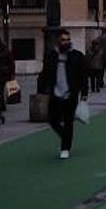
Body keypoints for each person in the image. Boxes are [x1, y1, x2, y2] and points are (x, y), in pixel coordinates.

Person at [42, 30, 88, 159]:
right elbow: (45, 73)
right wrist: (42, 89)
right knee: (52, 120)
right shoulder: (51, 56)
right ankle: (65, 137)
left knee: (68, 122)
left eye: (68, 39)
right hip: (55, 94)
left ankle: (65, 147)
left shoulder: (77, 56)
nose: (66, 42)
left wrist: (84, 94)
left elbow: (83, 76)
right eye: (63, 40)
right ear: (58, 41)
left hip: (70, 94)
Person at [0, 37, 15, 116]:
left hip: (3, 74)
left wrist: (11, 74)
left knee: (0, 89)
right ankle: (0, 105)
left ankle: (1, 105)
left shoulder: (5, 51)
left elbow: (11, 63)